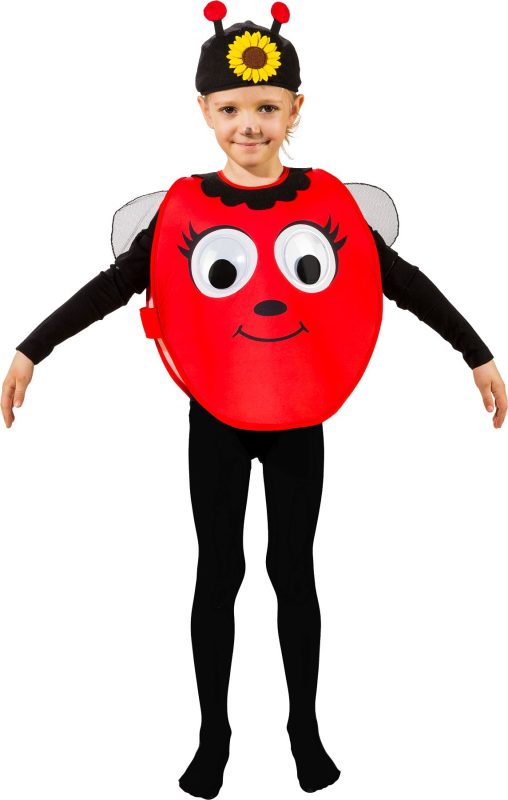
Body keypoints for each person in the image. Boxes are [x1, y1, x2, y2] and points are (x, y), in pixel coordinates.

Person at [2, 3, 506, 799]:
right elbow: (111, 287)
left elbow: (402, 282)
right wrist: (33, 347)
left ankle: (304, 729)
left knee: (292, 567)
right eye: (231, 108)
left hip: (300, 413)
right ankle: (214, 738)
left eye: (267, 108)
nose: (249, 125)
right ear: (204, 111)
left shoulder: (330, 205)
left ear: (296, 110)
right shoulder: (182, 210)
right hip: (218, 414)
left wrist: (475, 352)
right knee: (220, 570)